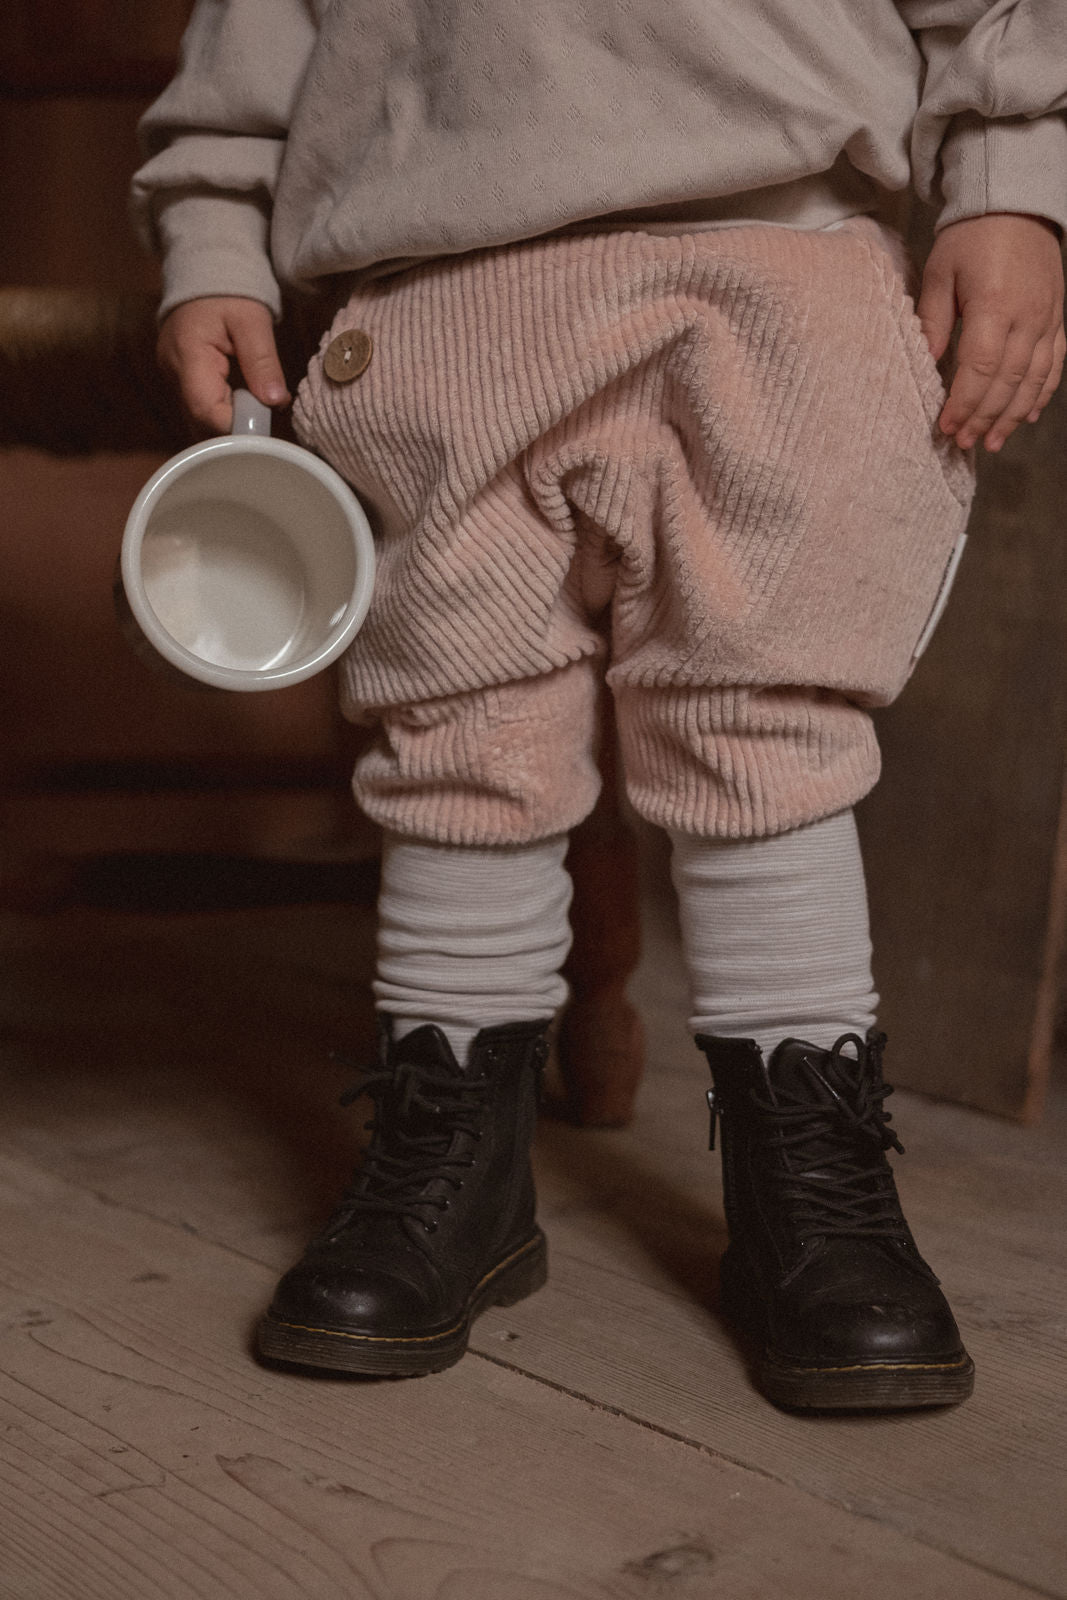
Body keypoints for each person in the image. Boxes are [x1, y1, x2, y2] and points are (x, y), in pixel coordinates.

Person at [132, 0, 1065, 1409]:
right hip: (434, 280)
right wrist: (212, 236)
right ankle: (457, 1163)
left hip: (783, 252)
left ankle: (810, 1189)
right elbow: (252, 35)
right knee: (461, 735)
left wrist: (1009, 182)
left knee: (767, 730)